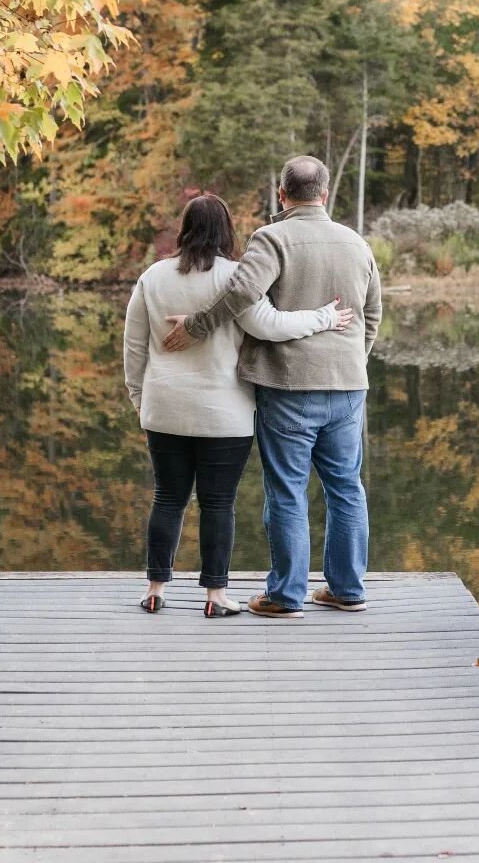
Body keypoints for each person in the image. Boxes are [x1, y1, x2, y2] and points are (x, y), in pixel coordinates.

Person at [162, 156, 382, 618]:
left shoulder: (272, 238)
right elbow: (372, 314)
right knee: (346, 487)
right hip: (347, 387)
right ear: (325, 194)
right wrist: (350, 362)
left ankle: (285, 596)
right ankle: (347, 589)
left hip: (289, 386)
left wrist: (198, 327)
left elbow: (242, 294)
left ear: (282, 195)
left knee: (287, 490)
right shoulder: (356, 243)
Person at [123, 193, 353, 619]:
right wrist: (324, 317)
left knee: (168, 498)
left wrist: (141, 400)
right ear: (227, 231)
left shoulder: (152, 277)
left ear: (184, 229)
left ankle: (155, 588)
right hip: (224, 415)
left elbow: (134, 351)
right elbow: (271, 326)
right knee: (217, 504)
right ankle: (215, 597)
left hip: (164, 408)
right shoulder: (235, 278)